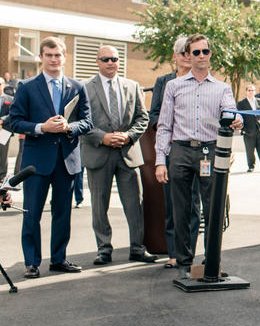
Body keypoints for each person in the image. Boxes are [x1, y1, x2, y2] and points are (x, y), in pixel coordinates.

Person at [154, 34, 241, 278]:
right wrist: (161, 161)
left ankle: (212, 261)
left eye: (205, 51)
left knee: (213, 208)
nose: (201, 56)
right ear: (187, 56)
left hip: (208, 151)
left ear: (210, 54)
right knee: (181, 209)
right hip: (180, 150)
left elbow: (233, 113)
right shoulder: (173, 86)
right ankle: (184, 263)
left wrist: (237, 120)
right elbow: (164, 126)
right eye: (196, 52)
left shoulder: (222, 88)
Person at [6, 37, 92, 278]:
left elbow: (87, 122)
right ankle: (32, 262)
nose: (54, 59)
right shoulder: (27, 86)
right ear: (41, 57)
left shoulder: (77, 87)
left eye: (58, 55)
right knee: (32, 213)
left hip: (66, 160)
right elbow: (14, 121)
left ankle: (58, 259)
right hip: (36, 162)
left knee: (63, 213)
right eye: (49, 55)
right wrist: (41, 127)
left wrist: (69, 128)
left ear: (65, 57)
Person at [81, 45, 157, 265]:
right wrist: (102, 137)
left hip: (127, 153)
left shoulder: (132, 86)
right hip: (99, 153)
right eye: (105, 59)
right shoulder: (85, 88)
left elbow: (143, 118)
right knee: (99, 205)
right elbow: (81, 122)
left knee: (135, 204)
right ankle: (103, 249)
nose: (110, 62)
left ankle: (137, 248)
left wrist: (129, 136)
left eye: (114, 58)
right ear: (98, 61)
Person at [149, 35, 200, 269]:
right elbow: (154, 114)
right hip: (171, 149)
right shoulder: (164, 82)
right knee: (173, 202)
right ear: (175, 57)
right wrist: (167, 125)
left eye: (191, 53)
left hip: (197, 150)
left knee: (193, 203)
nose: (188, 58)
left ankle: (188, 251)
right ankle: (173, 251)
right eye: (183, 54)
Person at [237, 83, 260, 172]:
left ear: (254, 91)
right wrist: (242, 130)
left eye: (252, 90)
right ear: (246, 92)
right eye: (249, 90)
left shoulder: (259, 101)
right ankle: (251, 166)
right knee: (250, 150)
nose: (251, 92)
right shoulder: (241, 103)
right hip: (248, 131)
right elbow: (239, 117)